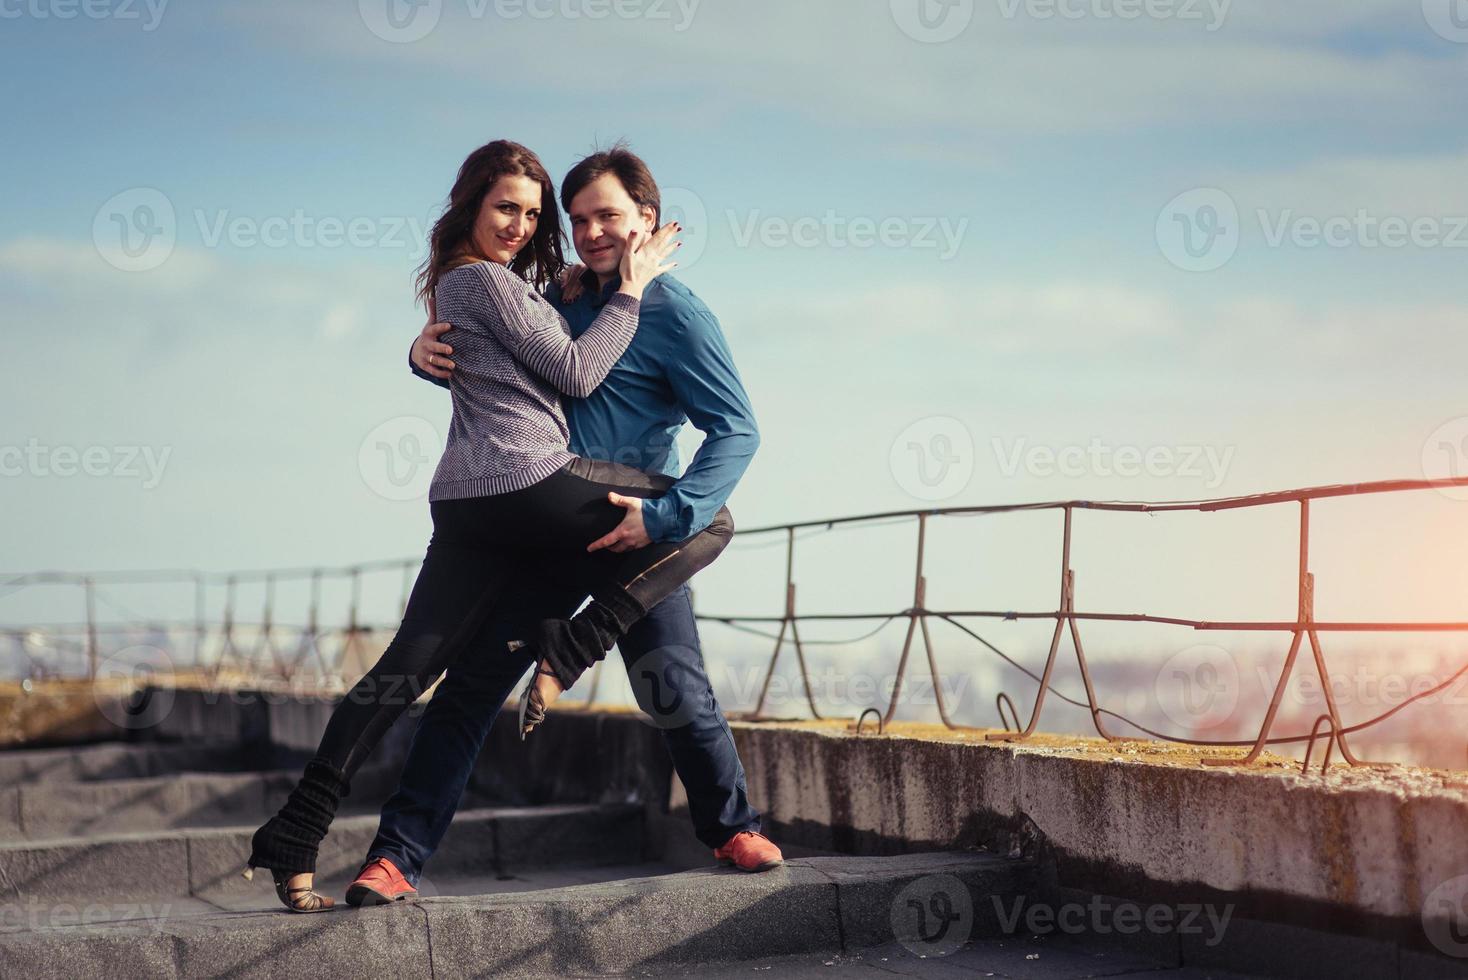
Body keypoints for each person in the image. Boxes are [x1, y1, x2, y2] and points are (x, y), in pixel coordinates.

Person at [244, 139, 733, 914]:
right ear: (470, 203)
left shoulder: (494, 286)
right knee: (709, 521)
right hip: (535, 486)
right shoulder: (487, 281)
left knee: (411, 669)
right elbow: (575, 371)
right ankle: (575, 645)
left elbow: (509, 337)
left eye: (534, 216)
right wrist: (631, 289)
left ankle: (297, 830)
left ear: (643, 218)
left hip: (470, 504)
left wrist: (432, 344)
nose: (521, 224)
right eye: (509, 207)